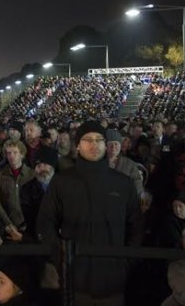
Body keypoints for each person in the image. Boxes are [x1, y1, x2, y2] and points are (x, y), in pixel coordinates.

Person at [37, 120, 143, 305]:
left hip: (113, 280)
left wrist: (125, 264)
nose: (94, 144)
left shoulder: (123, 183)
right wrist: (61, 259)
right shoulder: (62, 181)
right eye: (88, 140)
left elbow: (136, 226)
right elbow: (46, 222)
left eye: (99, 139)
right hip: (75, 280)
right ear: (78, 145)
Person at [0, 139, 33, 241]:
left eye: (15, 152)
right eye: (9, 153)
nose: (11, 156)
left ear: (22, 154)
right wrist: (8, 223)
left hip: (30, 225)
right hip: (8, 225)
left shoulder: (32, 175)